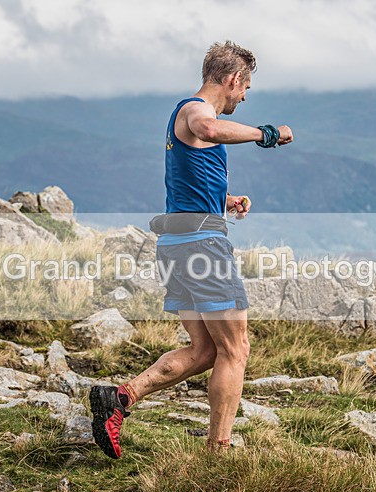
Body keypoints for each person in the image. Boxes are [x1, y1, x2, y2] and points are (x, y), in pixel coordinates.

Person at [90, 40, 293, 458]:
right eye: (245, 88)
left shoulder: (184, 117)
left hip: (179, 244)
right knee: (236, 350)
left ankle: (120, 398)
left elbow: (191, 176)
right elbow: (209, 129)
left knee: (205, 351)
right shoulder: (196, 111)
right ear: (233, 79)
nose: (243, 97)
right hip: (202, 247)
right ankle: (219, 452)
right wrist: (268, 134)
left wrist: (225, 200)